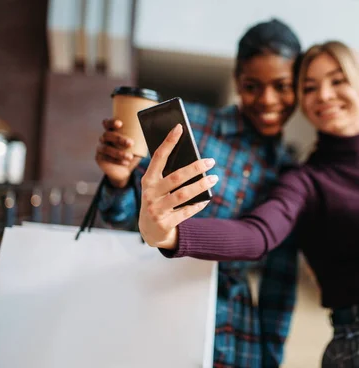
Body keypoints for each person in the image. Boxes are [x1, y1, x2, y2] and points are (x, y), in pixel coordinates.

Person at [139, 40, 359, 367]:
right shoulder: (303, 180)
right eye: (310, 87)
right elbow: (257, 236)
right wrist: (170, 235)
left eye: (338, 81)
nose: (324, 95)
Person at [95, 19, 302, 368]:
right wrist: (118, 180)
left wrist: (270, 357)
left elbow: (279, 284)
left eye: (282, 86)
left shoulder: (290, 173)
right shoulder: (186, 124)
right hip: (157, 310)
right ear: (237, 81)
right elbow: (124, 216)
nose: (268, 100)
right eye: (252, 86)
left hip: (236, 336)